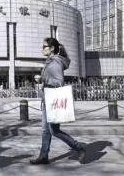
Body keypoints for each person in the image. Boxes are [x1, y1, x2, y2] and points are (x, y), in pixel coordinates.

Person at [29, 37, 87, 165]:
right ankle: (44, 156)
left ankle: (79, 147)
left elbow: (58, 82)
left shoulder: (54, 62)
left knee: (54, 130)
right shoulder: (50, 61)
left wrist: (42, 80)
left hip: (53, 101)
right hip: (47, 100)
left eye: (44, 46)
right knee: (45, 130)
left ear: (52, 48)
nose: (42, 49)